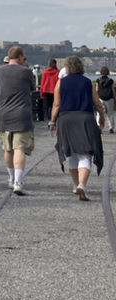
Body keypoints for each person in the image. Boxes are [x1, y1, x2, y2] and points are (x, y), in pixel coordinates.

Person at [50, 56, 104, 200]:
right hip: (85, 119)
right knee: (86, 154)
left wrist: (52, 121)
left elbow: (56, 104)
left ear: (67, 67)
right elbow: (98, 104)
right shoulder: (87, 82)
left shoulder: (61, 82)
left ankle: (76, 185)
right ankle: (81, 185)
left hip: (66, 119)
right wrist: (102, 119)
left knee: (71, 154)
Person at [0, 46, 35, 196]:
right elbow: (32, 89)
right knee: (19, 149)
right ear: (20, 56)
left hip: (2, 115)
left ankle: (10, 177)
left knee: (8, 149)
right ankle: (18, 182)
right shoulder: (27, 72)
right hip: (22, 115)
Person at [94, 66, 115, 134]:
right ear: (108, 72)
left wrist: (95, 98)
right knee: (110, 114)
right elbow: (113, 90)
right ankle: (111, 128)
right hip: (109, 98)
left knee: (99, 113)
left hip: (100, 98)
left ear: (101, 72)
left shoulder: (98, 80)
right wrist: (115, 97)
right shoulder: (111, 80)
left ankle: (99, 127)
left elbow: (96, 90)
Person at [39, 58, 59, 123]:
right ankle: (53, 119)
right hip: (54, 91)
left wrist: (41, 93)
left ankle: (48, 119)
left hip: (46, 91)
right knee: (54, 105)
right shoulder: (57, 72)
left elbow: (42, 82)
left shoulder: (45, 71)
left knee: (47, 106)